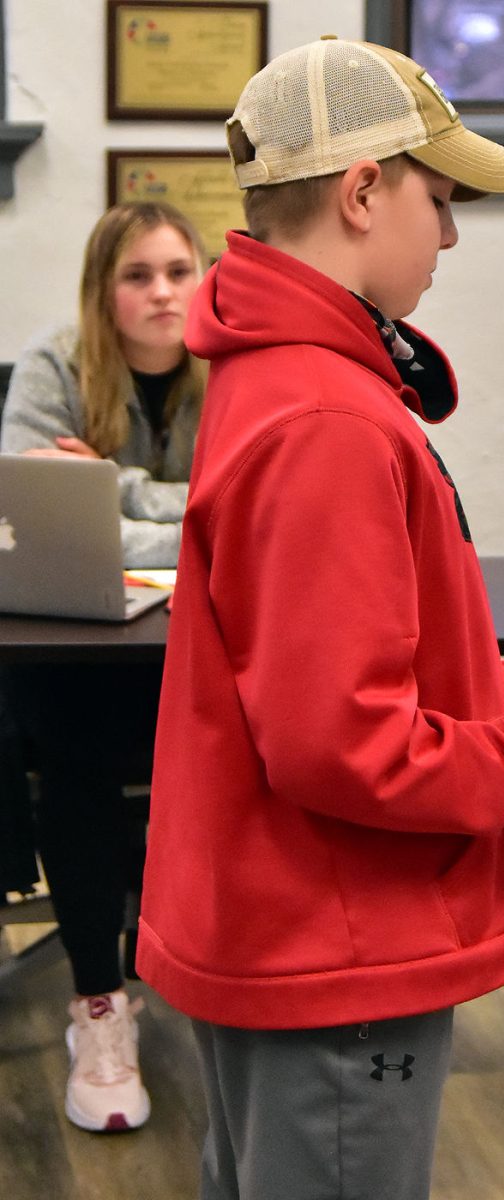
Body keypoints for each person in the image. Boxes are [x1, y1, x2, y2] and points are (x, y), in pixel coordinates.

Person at [135, 37, 504, 1200]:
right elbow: (340, 740)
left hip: (280, 919)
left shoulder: (277, 371)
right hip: (330, 943)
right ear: (364, 189)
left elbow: (353, 660)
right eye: (439, 197)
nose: (449, 234)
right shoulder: (326, 416)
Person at [0, 200, 207, 1129]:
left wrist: (110, 484)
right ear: (102, 291)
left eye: (177, 271)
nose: (163, 293)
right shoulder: (52, 366)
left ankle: (201, 966)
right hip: (74, 642)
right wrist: (187, 511)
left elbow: (248, 506)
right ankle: (99, 1001)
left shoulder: (238, 363)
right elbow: (36, 514)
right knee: (77, 755)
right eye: (138, 276)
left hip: (199, 643)